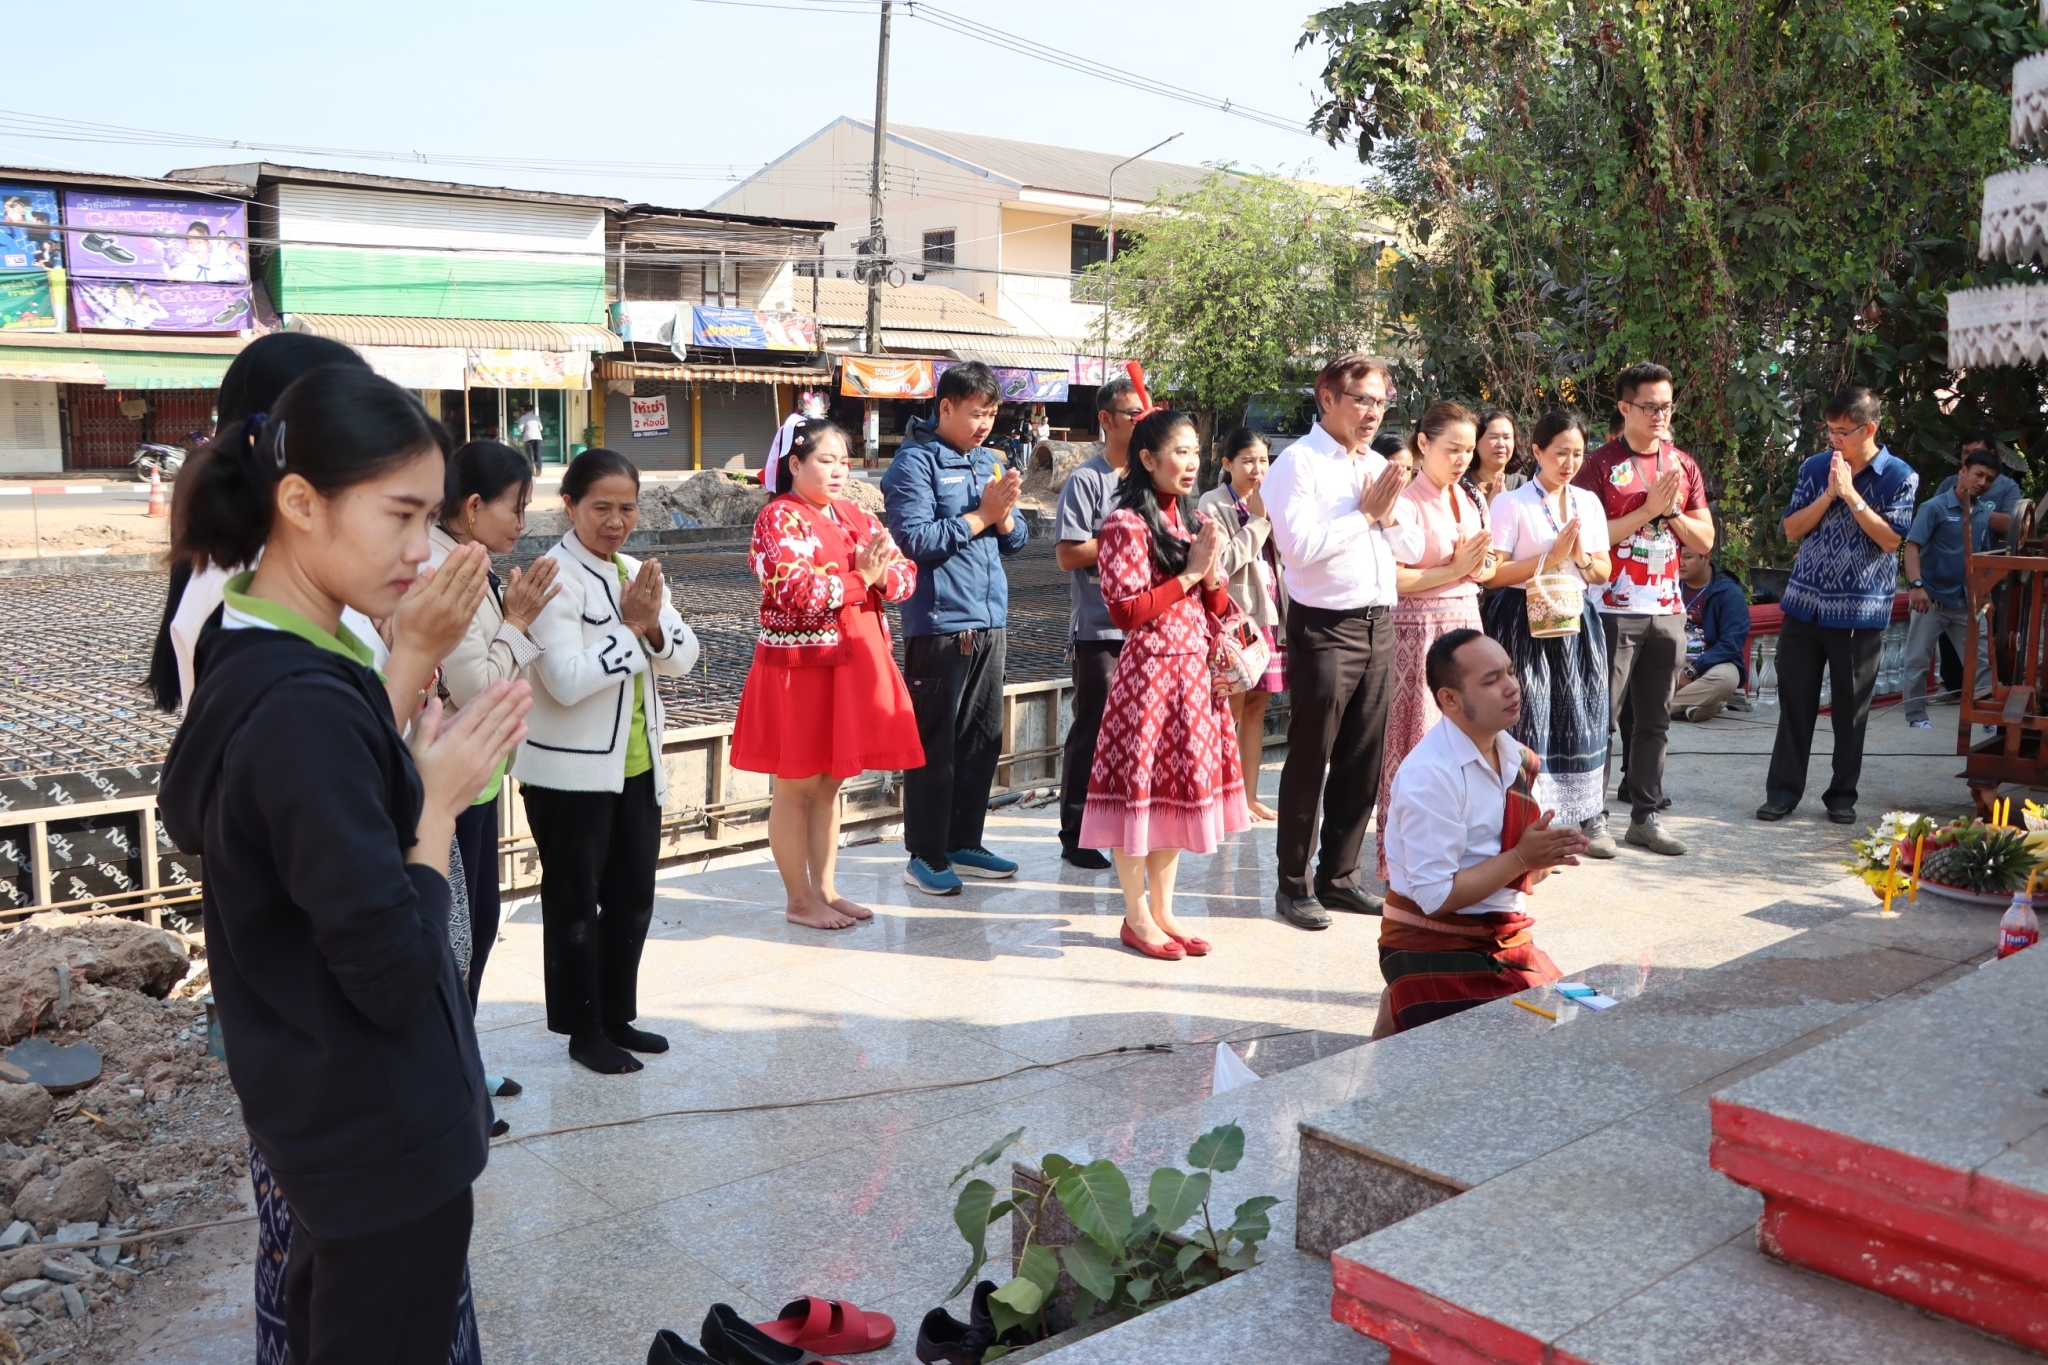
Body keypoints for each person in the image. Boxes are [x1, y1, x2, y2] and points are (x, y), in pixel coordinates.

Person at [159, 364, 531, 1365]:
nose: (423, 550)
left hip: (323, 1119)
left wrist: (401, 672)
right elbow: (394, 970)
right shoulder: (305, 707)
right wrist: (440, 801)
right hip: (378, 1136)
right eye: (400, 516)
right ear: (297, 501)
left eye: (432, 518)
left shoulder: (262, 649)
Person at [514, 448, 697, 1074]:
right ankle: (582, 1028)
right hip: (569, 773)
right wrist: (632, 631)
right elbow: (563, 680)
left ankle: (618, 1015)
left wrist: (649, 629)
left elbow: (685, 656)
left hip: (638, 765)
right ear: (568, 505)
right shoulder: (551, 576)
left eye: (627, 507)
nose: (616, 521)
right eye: (601, 507)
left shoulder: (634, 571)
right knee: (572, 902)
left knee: (632, 897)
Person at [732, 417, 923, 929]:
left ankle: (827, 888)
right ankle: (799, 900)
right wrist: (862, 577)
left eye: (844, 460)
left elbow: (904, 576)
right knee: (796, 784)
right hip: (800, 667)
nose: (839, 471)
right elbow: (799, 593)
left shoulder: (856, 514)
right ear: (795, 465)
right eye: (825, 460)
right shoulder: (779, 519)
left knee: (832, 781)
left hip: (849, 661)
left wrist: (874, 576)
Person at [1079, 410, 1249, 959]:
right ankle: (1135, 915)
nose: (1191, 461)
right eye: (1179, 451)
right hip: (1149, 677)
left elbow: (1215, 607)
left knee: (1174, 797)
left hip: (1194, 675)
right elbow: (1126, 612)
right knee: (1141, 797)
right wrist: (1192, 574)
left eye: (1195, 450)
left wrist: (1214, 578)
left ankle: (1165, 910)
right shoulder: (1124, 522)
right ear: (1148, 459)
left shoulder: (1193, 518)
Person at [1263, 354, 1421, 930]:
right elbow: (1299, 548)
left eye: (1381, 401)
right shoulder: (1297, 465)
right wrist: (1366, 515)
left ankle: (1340, 877)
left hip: (1381, 622)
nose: (1373, 412)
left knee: (1363, 759)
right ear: (1327, 397)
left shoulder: (1375, 463)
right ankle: (1293, 884)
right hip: (1326, 627)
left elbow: (1404, 538)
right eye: (1362, 400)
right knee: (1311, 758)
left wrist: (1389, 511)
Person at [433, 439, 561, 1120]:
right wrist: (515, 624)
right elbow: (477, 684)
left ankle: (463, 1062)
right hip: (449, 778)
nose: (522, 522)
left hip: (477, 775)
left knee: (477, 929)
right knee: (456, 939)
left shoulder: (471, 561)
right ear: (474, 505)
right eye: (517, 506)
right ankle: (452, 1079)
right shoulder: (443, 566)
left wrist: (508, 625)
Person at [1376, 629, 1583, 1036]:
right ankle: (1400, 1006)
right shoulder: (1430, 775)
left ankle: (1393, 1023)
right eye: (1491, 680)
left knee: (1571, 1017)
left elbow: (1521, 877)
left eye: (1510, 673)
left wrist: (1543, 856)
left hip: (1502, 935)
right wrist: (1523, 857)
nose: (1512, 688)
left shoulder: (1517, 758)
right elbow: (1435, 898)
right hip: (1430, 940)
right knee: (1528, 1037)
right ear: (1449, 699)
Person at [882, 360, 1031, 895]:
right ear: (945, 407)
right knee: (934, 745)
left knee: (981, 741)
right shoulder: (913, 465)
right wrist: (982, 516)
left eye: (992, 414)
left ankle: (964, 842)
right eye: (976, 413)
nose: (986, 424)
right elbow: (915, 542)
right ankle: (924, 851)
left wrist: (1006, 514)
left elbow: (1016, 542)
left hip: (991, 618)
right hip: (942, 624)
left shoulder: (987, 462)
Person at [1573, 362, 1713, 856]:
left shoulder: (1682, 465)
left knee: (1656, 718)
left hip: (1667, 607)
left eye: (1666, 406)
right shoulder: (1599, 465)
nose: (1659, 415)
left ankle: (1646, 815)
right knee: (1603, 717)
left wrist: (1670, 510)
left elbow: (1705, 539)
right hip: (1611, 606)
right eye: (1649, 406)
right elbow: (1587, 541)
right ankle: (1593, 817)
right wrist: (1647, 510)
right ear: (1625, 408)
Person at [1759, 387, 1918, 824]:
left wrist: (1851, 495)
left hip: (1859, 614)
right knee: (1795, 703)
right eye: (1829, 431)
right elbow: (1791, 529)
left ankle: (1842, 797)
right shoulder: (1815, 467)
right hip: (1804, 606)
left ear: (1870, 428)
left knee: (1850, 713)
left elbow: (1890, 540)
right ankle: (1782, 794)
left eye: (1843, 432)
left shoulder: (1899, 475)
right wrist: (1828, 493)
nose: (1834, 440)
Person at [1482, 410, 1615, 854]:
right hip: (1523, 619)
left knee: (1582, 714)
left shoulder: (1588, 502)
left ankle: (1586, 817)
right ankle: (1528, 824)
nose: (1570, 462)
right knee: (1530, 717)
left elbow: (1601, 570)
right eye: (1561, 452)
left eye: (1578, 453)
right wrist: (1548, 555)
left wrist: (1577, 557)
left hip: (1575, 620)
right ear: (1537, 451)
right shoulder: (1513, 503)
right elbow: (1493, 574)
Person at [1378, 402, 1494, 880]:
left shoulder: (1468, 496)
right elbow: (1396, 580)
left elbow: (1484, 567)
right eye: (1453, 449)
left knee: (1466, 743)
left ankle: (1464, 852)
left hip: (1465, 622)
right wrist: (1455, 569)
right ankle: (1403, 862)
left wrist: (1478, 567)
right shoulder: (1404, 500)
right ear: (1423, 443)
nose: (1463, 458)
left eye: (1469, 449)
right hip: (1419, 633)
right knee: (1416, 745)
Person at [1055, 375, 1143, 868]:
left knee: (1137, 734)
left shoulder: (1150, 479)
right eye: (1132, 414)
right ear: (1106, 420)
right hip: (1101, 629)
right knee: (1092, 731)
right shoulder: (1087, 480)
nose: (1140, 422)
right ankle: (1076, 835)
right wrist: (1126, 538)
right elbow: (1068, 555)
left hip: (1148, 628)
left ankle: (1126, 827)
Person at [1198, 428, 1286, 821]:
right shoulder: (1212, 503)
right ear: (1227, 463)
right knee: (1230, 710)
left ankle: (1248, 797)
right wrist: (1258, 520)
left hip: (1271, 617)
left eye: (1263, 460)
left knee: (1257, 711)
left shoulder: (1276, 500)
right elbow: (1222, 563)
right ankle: (1221, 795)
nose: (1257, 469)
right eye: (1248, 460)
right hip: (1236, 622)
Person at [1901, 445, 1999, 729]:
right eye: (1978, 474)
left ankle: (1986, 716)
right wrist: (1916, 586)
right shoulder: (1934, 508)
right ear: (1963, 471)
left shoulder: (1982, 514)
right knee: (1918, 661)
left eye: (1989, 479)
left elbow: (1982, 560)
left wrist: (1986, 596)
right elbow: (1912, 546)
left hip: (1968, 602)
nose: (1983, 482)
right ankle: (1916, 716)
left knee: (1981, 662)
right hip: (1930, 600)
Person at [1671, 542, 1750, 723]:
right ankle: (1707, 705)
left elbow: (1731, 643)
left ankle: (1654, 710)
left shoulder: (1728, 592)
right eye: (1676, 557)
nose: (1680, 563)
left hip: (1713, 664)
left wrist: (1694, 669)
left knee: (1726, 679)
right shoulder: (1668, 585)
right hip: (1673, 659)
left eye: (1687, 557)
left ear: (1706, 557)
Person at [1472, 409, 1522, 504]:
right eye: (1493, 437)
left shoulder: (1524, 484)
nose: (1501, 444)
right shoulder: (1459, 485)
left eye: (1507, 437)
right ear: (1476, 442)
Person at [516, 405, 545, 472]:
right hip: (537, 437)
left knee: (529, 455)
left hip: (528, 437)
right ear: (532, 410)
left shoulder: (523, 417)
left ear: (525, 411)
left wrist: (523, 432)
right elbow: (541, 428)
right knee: (538, 454)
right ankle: (538, 470)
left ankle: (531, 470)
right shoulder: (536, 417)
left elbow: (520, 428)